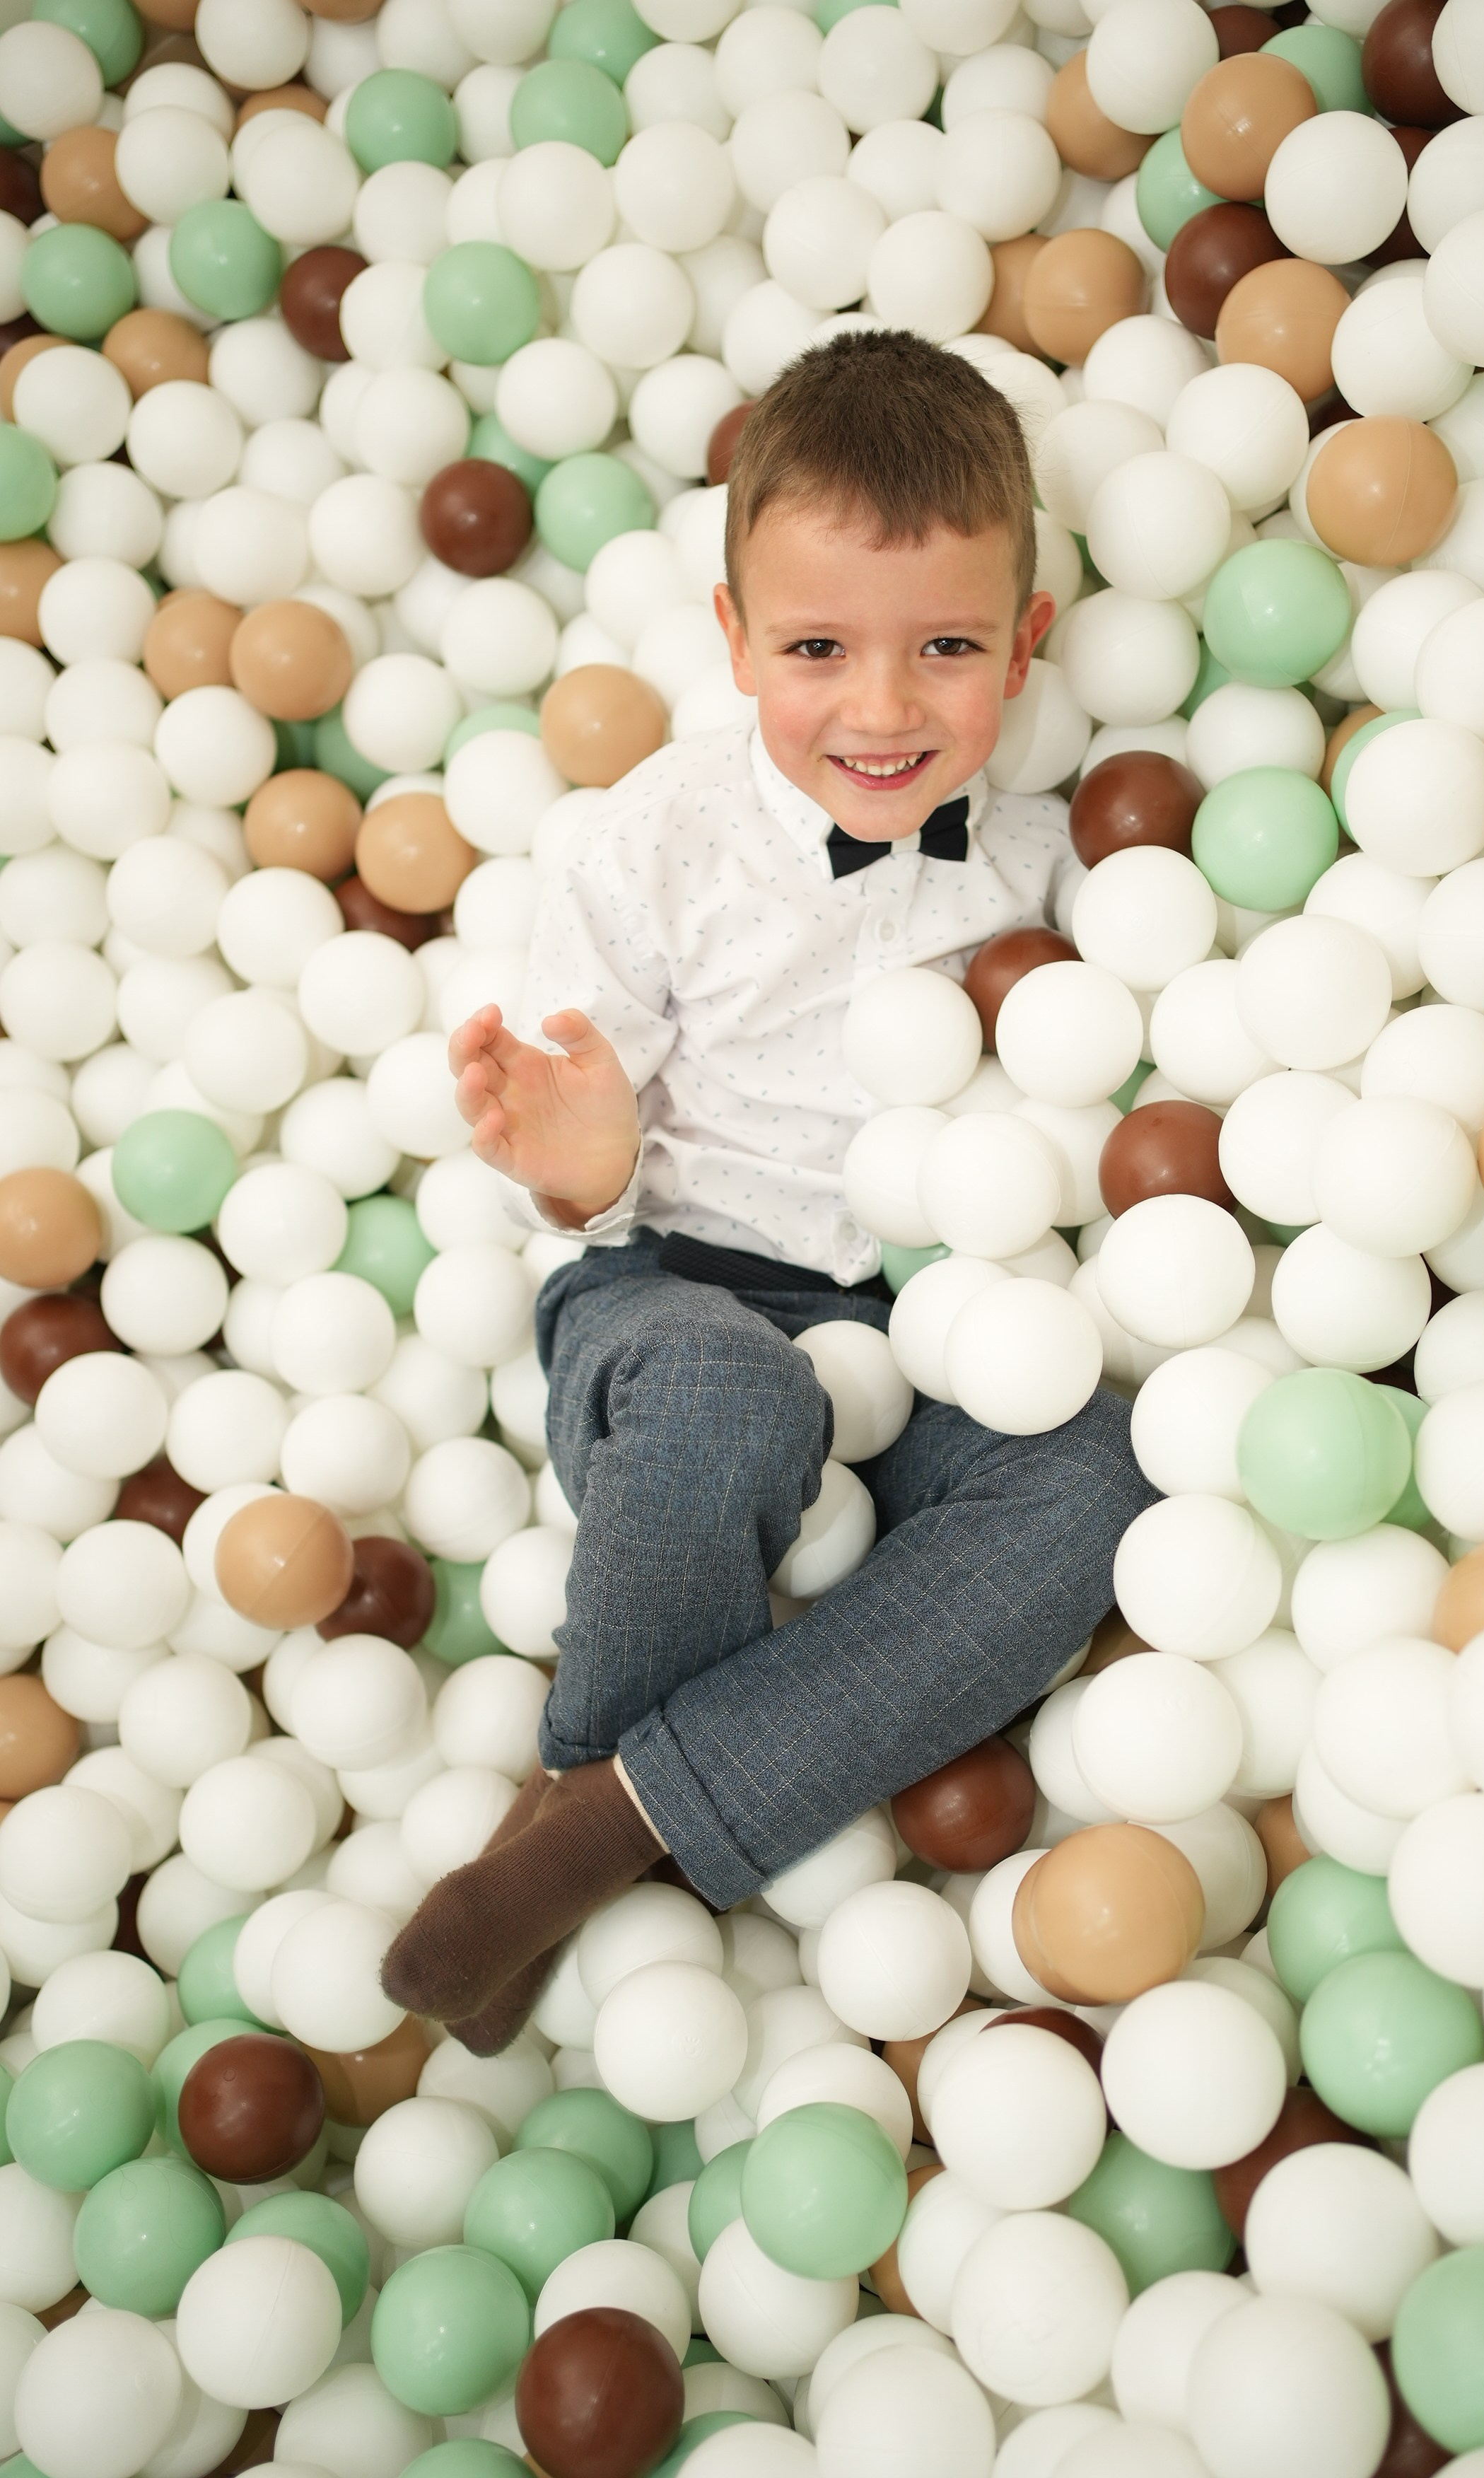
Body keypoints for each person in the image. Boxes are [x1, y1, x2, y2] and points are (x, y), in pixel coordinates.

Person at [381, 327, 1155, 2054]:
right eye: (818, 650)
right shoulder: (643, 846)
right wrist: (585, 1180)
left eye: (944, 648)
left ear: (1024, 644)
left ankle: (591, 1815)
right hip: (674, 1296)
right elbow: (569, 1149)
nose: (881, 710)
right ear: (734, 641)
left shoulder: (1046, 869)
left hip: (922, 1331)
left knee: (1100, 1476)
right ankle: (655, 1810)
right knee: (728, 1393)